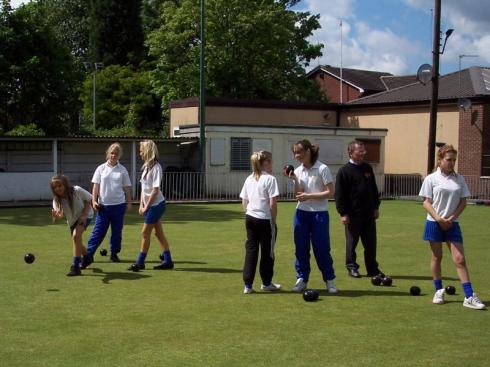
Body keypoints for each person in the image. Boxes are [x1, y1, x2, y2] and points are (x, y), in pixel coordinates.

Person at [419, 144, 485, 310]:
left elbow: (463, 202)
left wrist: (451, 218)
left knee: (459, 259)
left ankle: (469, 296)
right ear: (440, 160)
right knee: (437, 257)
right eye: (449, 159)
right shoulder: (431, 179)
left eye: (454, 160)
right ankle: (438, 291)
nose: (451, 163)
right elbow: (426, 202)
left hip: (453, 224)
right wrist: (439, 219)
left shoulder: (459, 179)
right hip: (434, 223)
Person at [285, 139, 337, 293]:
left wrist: (309, 196)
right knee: (301, 248)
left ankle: (329, 280)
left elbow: (330, 192)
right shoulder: (299, 171)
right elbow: (299, 193)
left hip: (319, 214)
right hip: (301, 213)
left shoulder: (322, 168)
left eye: (298, 152)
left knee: (321, 249)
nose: (296, 156)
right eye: (294, 153)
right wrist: (294, 179)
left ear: (308, 151)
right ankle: (301, 279)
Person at [335, 140, 384, 279]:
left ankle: (372, 269)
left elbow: (373, 190)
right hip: (352, 215)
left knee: (370, 243)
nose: (363, 154)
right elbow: (339, 194)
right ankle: (351, 267)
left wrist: (376, 206)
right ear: (351, 152)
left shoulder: (367, 168)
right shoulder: (344, 171)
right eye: (359, 151)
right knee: (352, 243)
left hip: (368, 213)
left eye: (364, 151)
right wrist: (343, 213)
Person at [82, 142, 132, 268]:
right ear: (108, 153)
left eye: (116, 153)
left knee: (116, 231)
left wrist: (129, 202)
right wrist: (94, 200)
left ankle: (114, 253)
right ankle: (89, 254)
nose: (113, 155)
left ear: (119, 155)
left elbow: (127, 187)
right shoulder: (101, 168)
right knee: (98, 231)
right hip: (103, 206)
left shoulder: (122, 170)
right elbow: (96, 186)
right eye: (112, 153)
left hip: (119, 205)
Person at [239, 151, 281, 294]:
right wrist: (273, 220)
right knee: (267, 251)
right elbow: (273, 203)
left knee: (251, 250)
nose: (272, 164)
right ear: (266, 163)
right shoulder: (270, 179)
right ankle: (266, 283)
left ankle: (248, 285)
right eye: (271, 161)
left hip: (250, 218)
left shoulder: (249, 178)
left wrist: (250, 213)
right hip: (265, 220)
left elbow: (244, 202)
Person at [129, 140, 174, 271]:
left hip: (157, 205)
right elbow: (143, 188)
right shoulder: (146, 168)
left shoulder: (156, 168)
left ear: (148, 151)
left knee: (144, 233)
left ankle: (140, 262)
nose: (140, 153)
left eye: (141, 150)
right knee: (158, 234)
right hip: (150, 205)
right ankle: (168, 261)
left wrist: (146, 207)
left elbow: (155, 190)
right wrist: (141, 204)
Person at [50, 174, 94, 276]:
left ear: (65, 184)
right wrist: (57, 215)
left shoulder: (77, 190)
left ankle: (76, 266)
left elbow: (89, 199)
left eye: (59, 186)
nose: (58, 189)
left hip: (86, 215)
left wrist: (84, 215)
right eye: (55, 187)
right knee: (76, 240)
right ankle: (87, 257)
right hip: (72, 220)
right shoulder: (56, 200)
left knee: (75, 236)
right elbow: (59, 214)